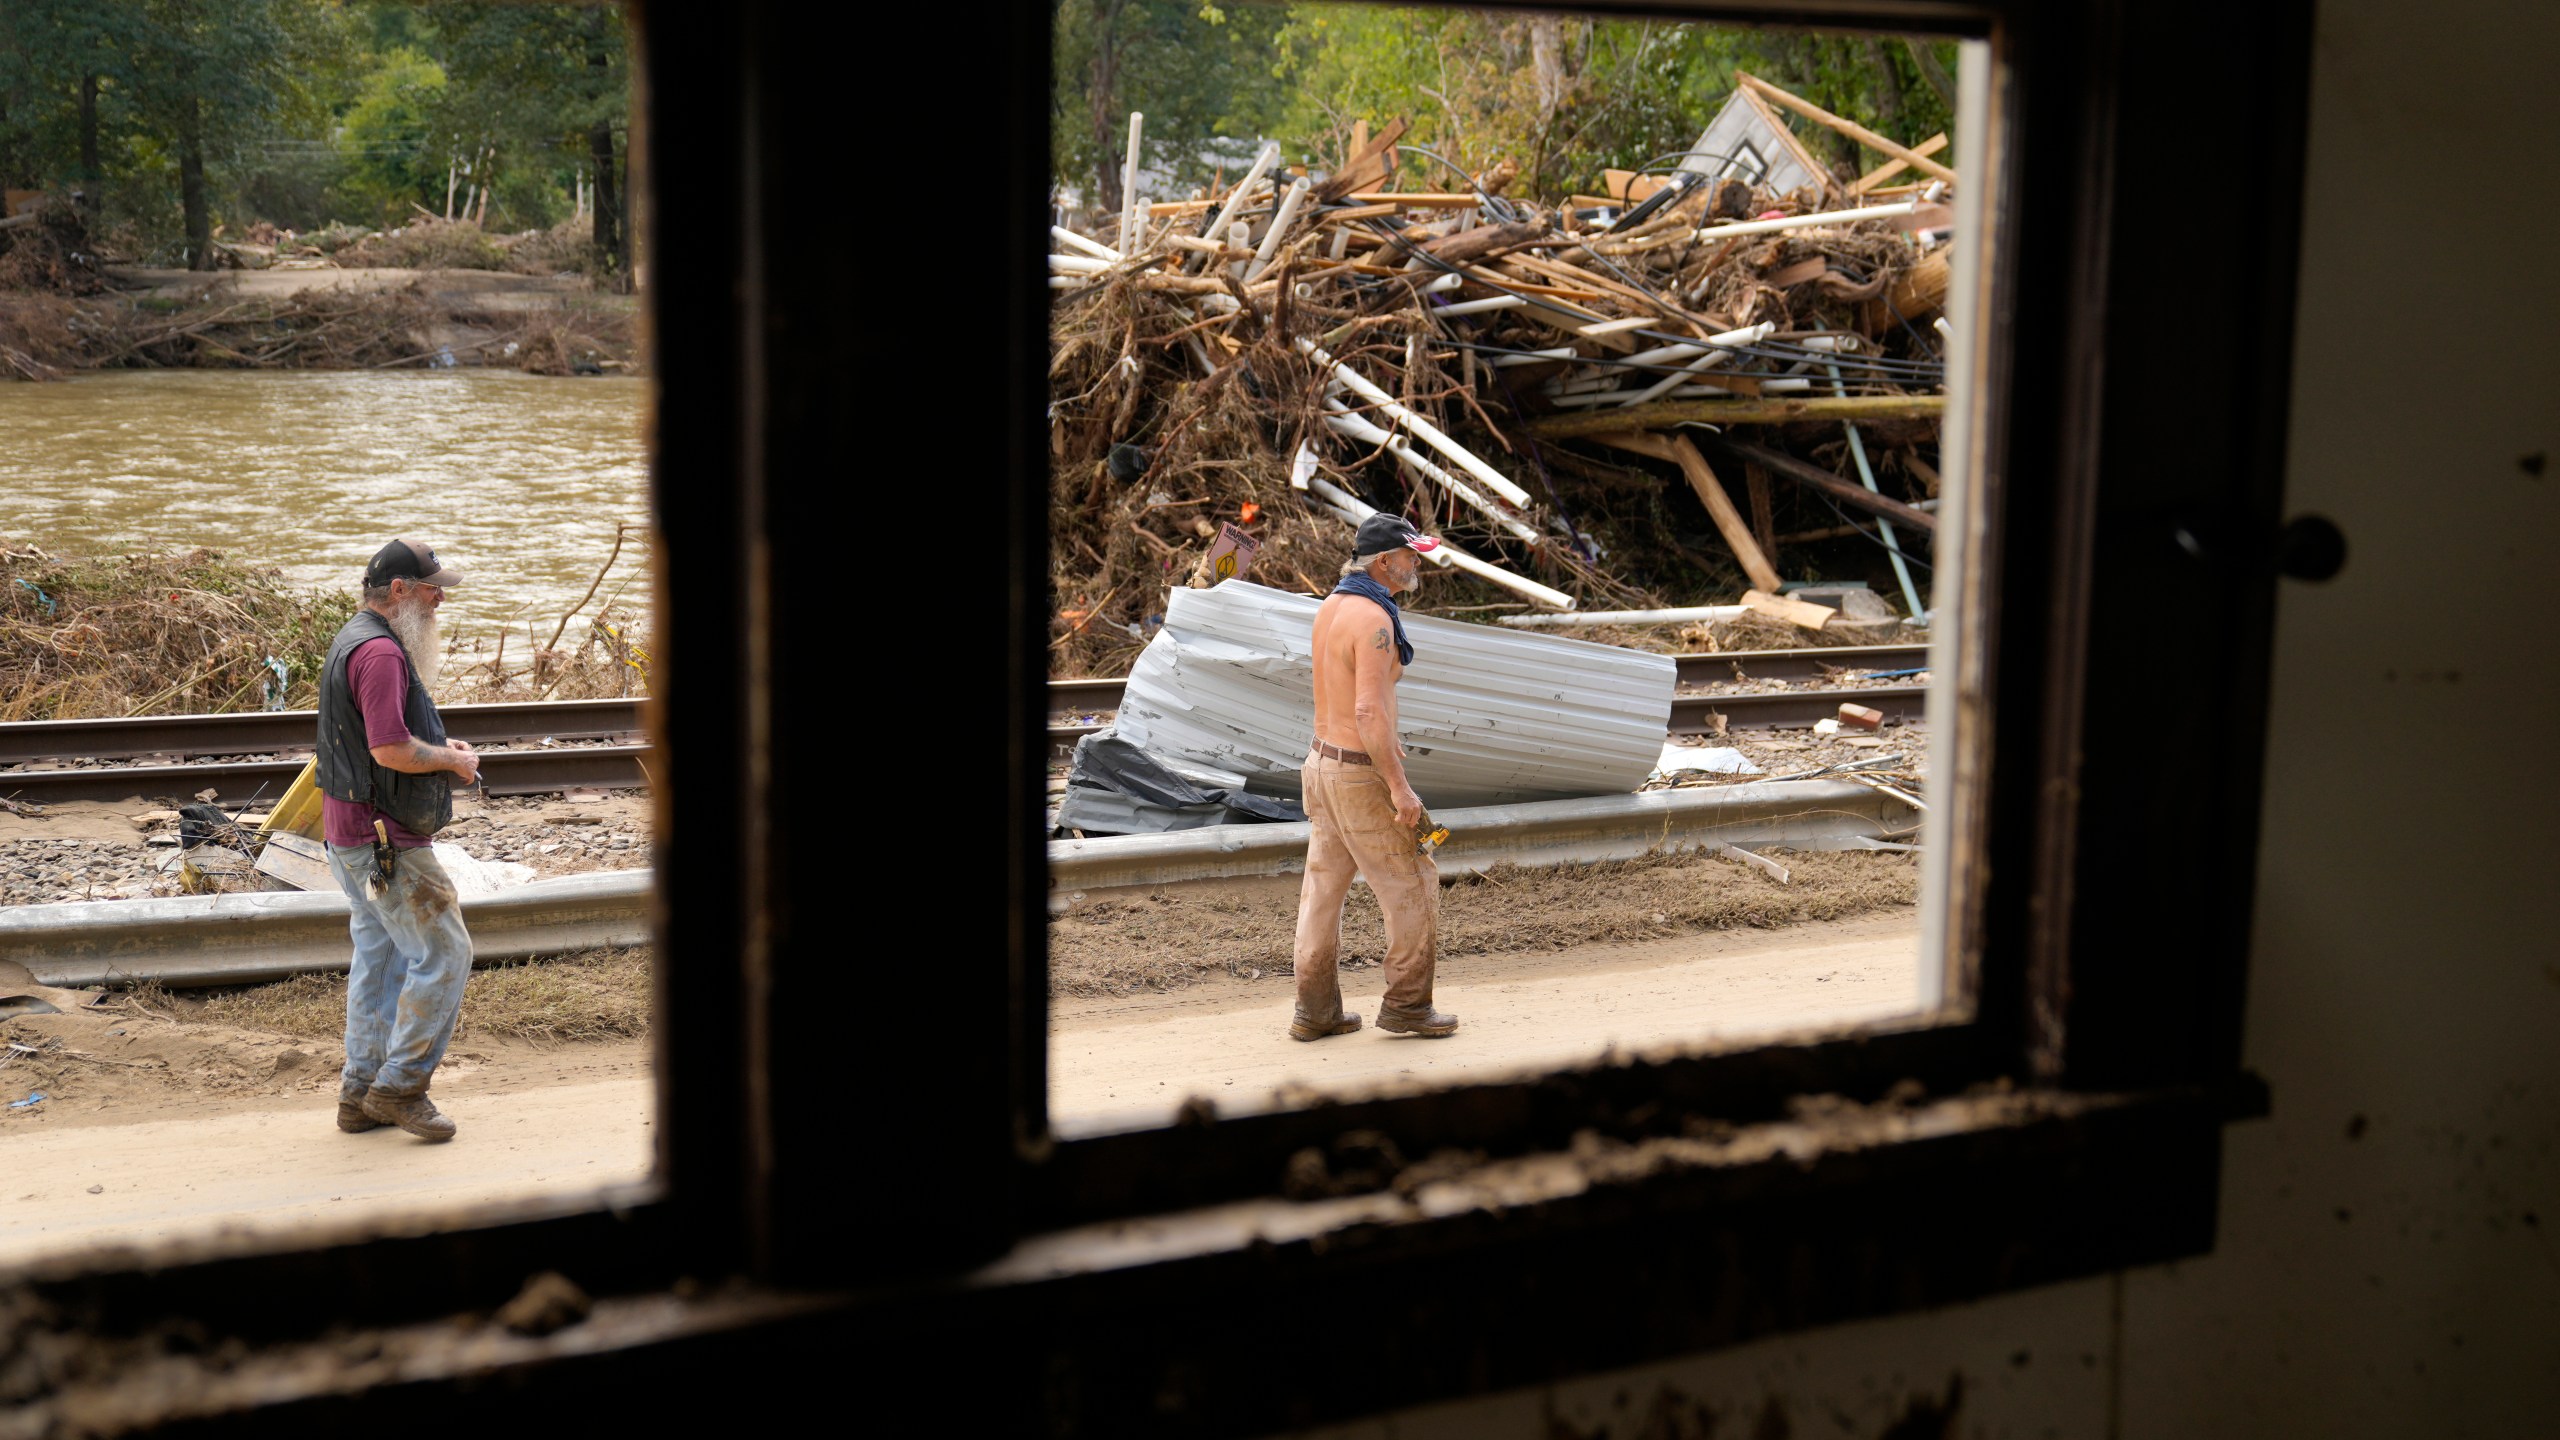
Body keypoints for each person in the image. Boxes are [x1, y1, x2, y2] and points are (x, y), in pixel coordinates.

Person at [314, 538, 481, 1141]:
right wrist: (453, 763)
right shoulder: (381, 654)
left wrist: (440, 753)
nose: (441, 599)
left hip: (350, 833)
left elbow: (379, 741)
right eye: (434, 587)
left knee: (380, 958)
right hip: (386, 840)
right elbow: (389, 750)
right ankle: (402, 1087)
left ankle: (359, 1096)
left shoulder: (353, 637)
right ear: (401, 591)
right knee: (445, 952)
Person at [1288, 514, 1459, 1042]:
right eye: (1410, 556)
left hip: (1320, 766)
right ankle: (1408, 1005)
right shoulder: (1376, 622)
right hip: (1360, 776)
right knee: (1415, 880)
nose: (1416, 564)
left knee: (1322, 890)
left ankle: (1314, 1012)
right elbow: (1367, 712)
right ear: (1384, 562)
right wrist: (1398, 786)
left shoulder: (1333, 606)